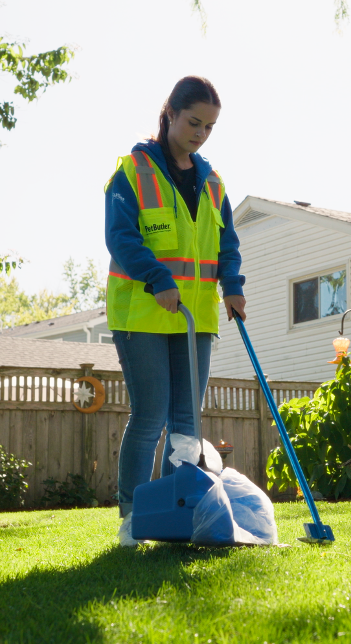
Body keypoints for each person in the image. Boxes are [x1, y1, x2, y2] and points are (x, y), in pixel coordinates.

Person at [103, 76, 246, 544]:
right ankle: (132, 517)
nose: (200, 133)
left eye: (209, 126)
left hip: (196, 318)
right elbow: (121, 237)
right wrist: (158, 279)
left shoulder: (213, 183)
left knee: (186, 420)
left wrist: (233, 286)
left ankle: (174, 514)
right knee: (151, 416)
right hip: (143, 313)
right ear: (170, 113)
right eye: (193, 122)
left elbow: (226, 243)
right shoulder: (131, 172)